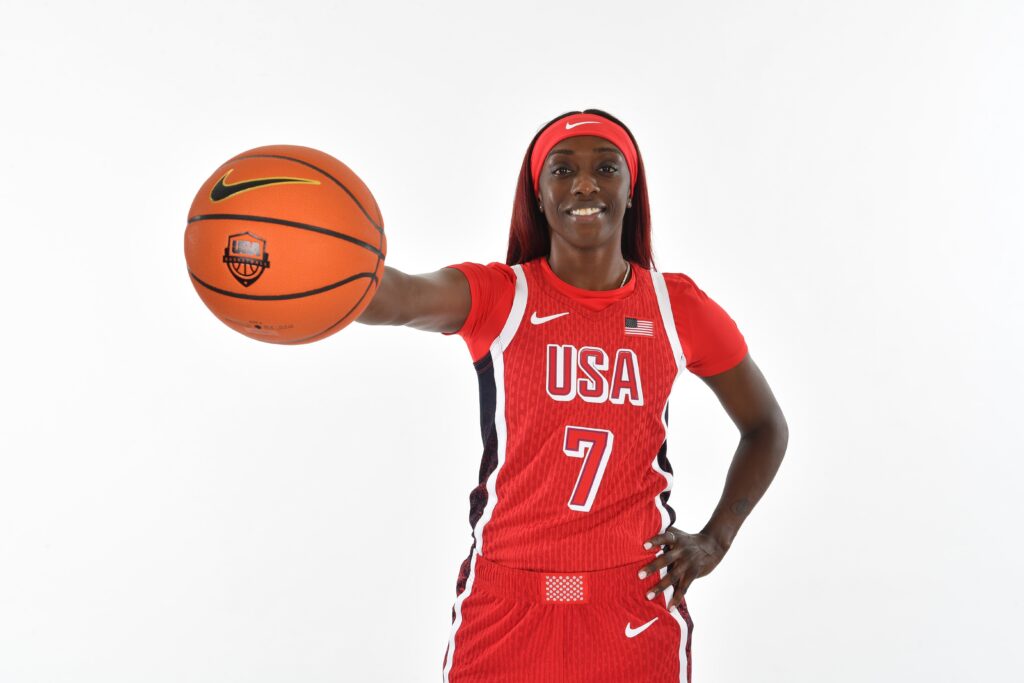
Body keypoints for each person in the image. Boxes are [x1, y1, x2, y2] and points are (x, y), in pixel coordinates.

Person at [356, 109, 788, 683]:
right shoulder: (499, 297)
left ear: (631, 191)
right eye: (563, 170)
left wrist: (715, 540)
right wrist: (317, 269)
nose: (585, 184)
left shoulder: (675, 308)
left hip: (633, 599)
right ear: (538, 195)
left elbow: (766, 427)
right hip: (507, 598)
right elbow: (398, 297)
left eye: (606, 168)